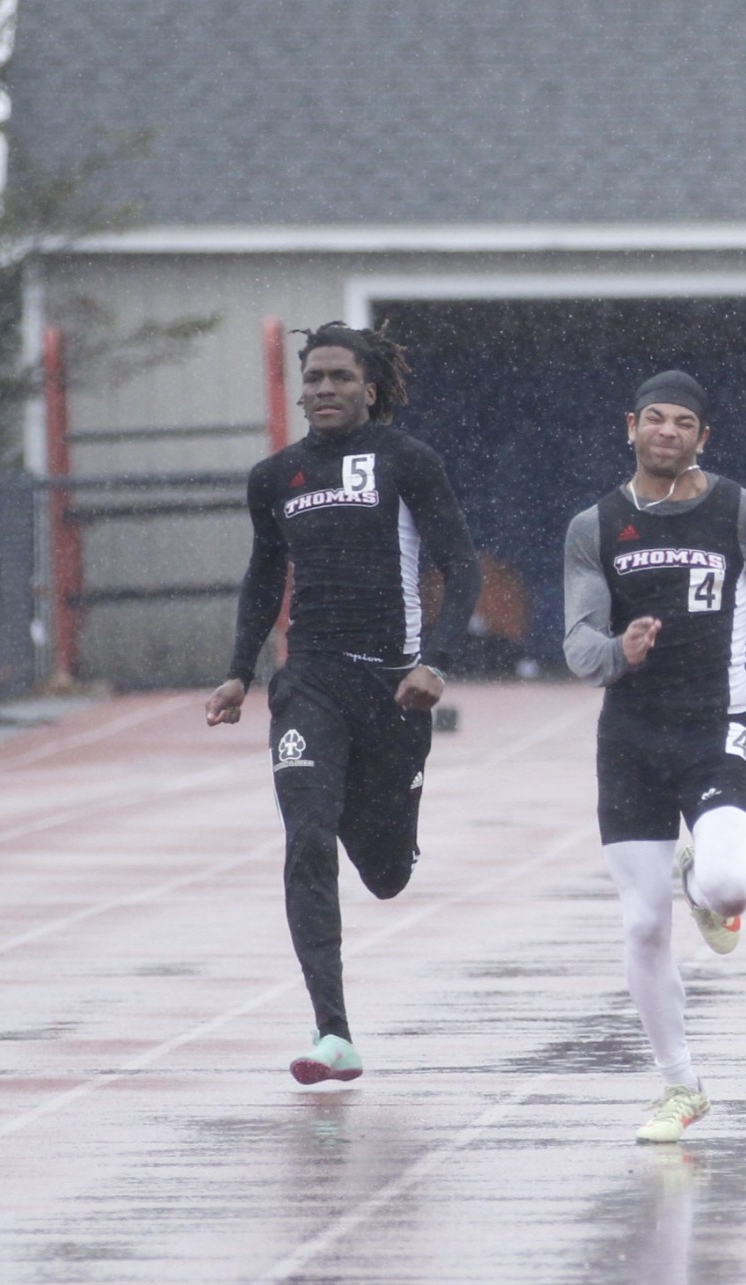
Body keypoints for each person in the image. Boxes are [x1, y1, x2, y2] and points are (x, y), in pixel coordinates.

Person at [205, 322, 482, 1084]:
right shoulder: (275, 478)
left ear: (369, 387)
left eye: (339, 377)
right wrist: (238, 672)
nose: (324, 389)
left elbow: (461, 568)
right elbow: (265, 577)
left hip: (393, 686)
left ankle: (393, 828)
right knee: (306, 835)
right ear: (301, 388)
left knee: (386, 873)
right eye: (314, 377)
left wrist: (437, 663)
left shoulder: (407, 462)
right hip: (310, 680)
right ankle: (333, 1030)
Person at [563, 369, 746, 1143]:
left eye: (684, 421)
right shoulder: (596, 525)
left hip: (715, 728)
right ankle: (680, 1085)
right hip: (629, 738)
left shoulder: (740, 512)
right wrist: (619, 648)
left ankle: (703, 881)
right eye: (655, 418)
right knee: (643, 925)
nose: (668, 432)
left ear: (702, 437)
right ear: (631, 426)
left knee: (728, 885)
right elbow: (579, 643)